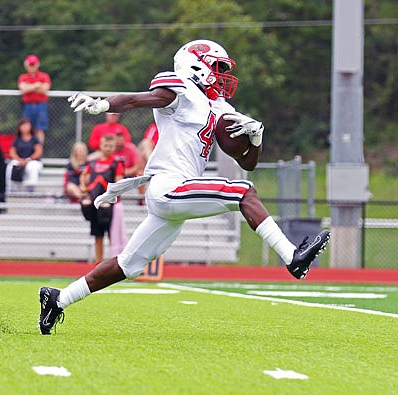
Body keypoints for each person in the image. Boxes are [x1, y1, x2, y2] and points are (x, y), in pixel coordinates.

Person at [37, 39, 331, 335]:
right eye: (218, 66)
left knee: (130, 264)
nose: (222, 74)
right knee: (243, 192)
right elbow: (135, 100)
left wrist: (256, 138)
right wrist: (103, 104)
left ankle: (58, 299)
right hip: (169, 184)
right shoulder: (182, 90)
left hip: (176, 194)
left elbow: (248, 162)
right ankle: (292, 257)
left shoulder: (217, 106)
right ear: (196, 64)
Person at [79, 134, 124, 263]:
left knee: (113, 236)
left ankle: (113, 263)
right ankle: (98, 263)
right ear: (100, 146)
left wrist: (116, 187)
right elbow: (84, 175)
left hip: (111, 205)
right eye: (106, 145)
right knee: (98, 236)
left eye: (111, 146)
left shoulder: (116, 163)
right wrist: (83, 186)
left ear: (115, 147)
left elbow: (119, 179)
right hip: (96, 203)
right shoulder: (93, 163)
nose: (108, 148)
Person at [17, 54, 51, 145]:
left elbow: (44, 89)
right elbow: (23, 89)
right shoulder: (23, 77)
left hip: (41, 105)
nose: (32, 67)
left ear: (37, 65)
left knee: (39, 129)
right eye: (30, 65)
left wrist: (30, 87)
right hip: (27, 106)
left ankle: (38, 152)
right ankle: (27, 150)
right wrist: (37, 85)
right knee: (26, 129)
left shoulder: (44, 76)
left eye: (33, 65)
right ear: (26, 65)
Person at [6, 118, 43, 192]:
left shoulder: (35, 139)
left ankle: (30, 189)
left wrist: (28, 160)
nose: (24, 127)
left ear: (31, 127)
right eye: (22, 125)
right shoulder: (17, 139)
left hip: (32, 161)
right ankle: (12, 188)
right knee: (11, 166)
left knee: (32, 167)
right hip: (19, 160)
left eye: (26, 125)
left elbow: (38, 152)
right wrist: (19, 160)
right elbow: (12, 152)